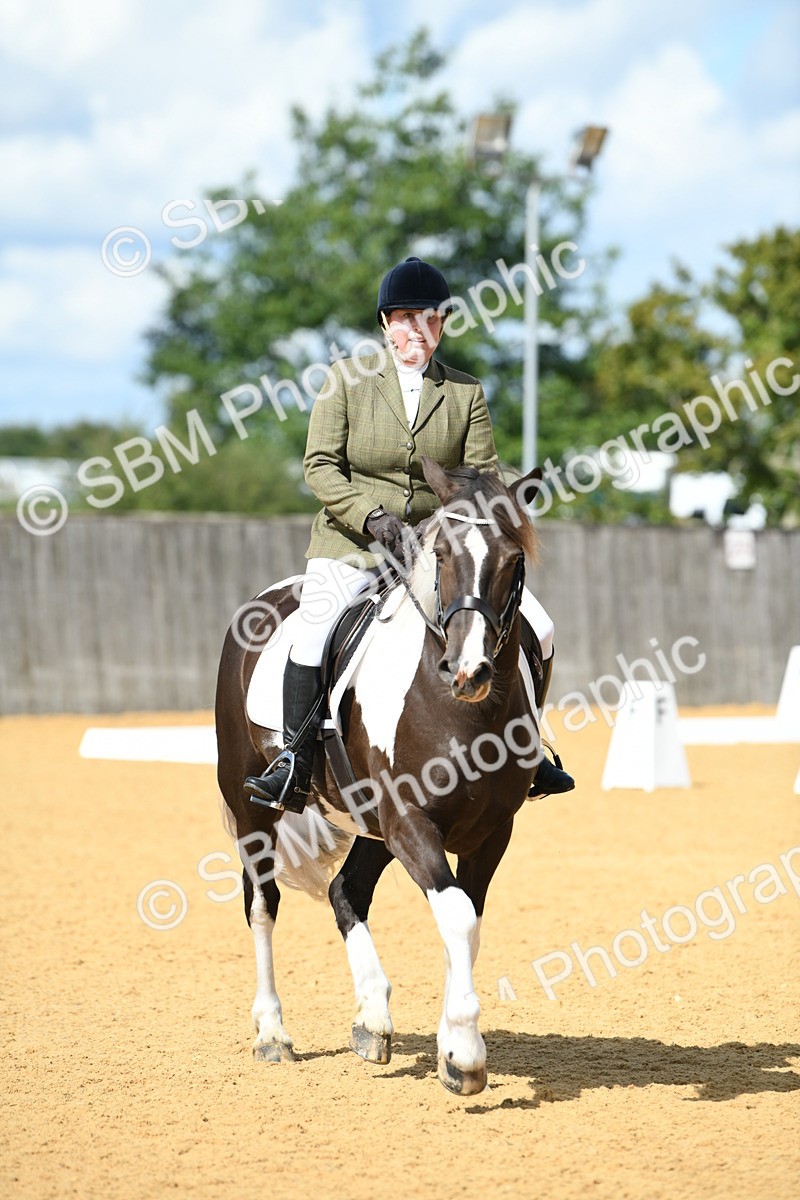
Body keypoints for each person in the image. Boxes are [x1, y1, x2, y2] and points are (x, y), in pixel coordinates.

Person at [244, 256, 574, 812]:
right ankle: (296, 763)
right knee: (313, 631)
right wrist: (373, 518)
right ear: (384, 325)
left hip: (434, 550)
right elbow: (320, 466)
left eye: (429, 320)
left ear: (442, 327)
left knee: (538, 628)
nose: (415, 331)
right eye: (404, 319)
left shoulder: (464, 393)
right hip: (350, 545)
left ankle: (531, 746)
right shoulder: (346, 382)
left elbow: (481, 473)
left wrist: (515, 493)